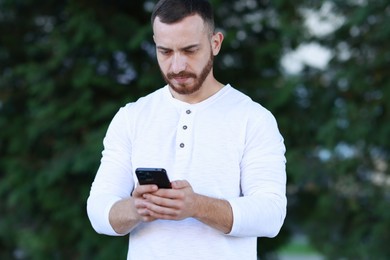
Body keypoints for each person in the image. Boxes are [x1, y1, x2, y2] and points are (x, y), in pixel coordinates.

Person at [87, 0, 287, 259]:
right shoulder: (132, 117)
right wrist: (137, 209)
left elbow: (271, 215)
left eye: (190, 50)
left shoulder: (253, 118)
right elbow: (98, 211)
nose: (177, 66)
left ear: (215, 43)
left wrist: (196, 206)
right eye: (165, 52)